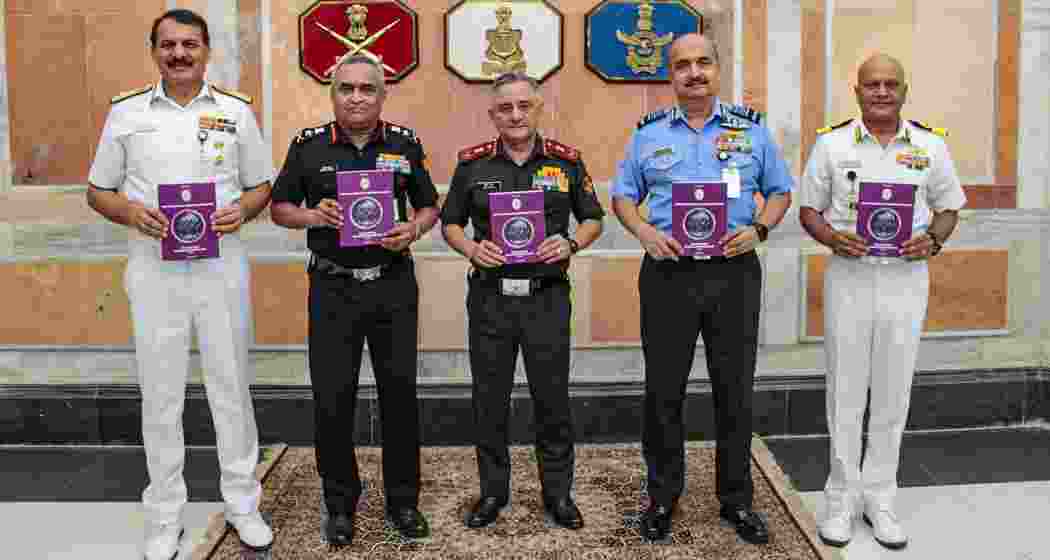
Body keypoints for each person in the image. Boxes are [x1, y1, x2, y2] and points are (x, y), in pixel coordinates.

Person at [86, 9, 274, 560]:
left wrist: (243, 208)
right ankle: (164, 514)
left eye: (189, 44)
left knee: (231, 387)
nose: (179, 54)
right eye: (168, 45)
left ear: (206, 50)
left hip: (221, 267)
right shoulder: (126, 114)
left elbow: (261, 184)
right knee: (161, 395)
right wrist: (129, 213)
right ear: (154, 51)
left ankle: (243, 504)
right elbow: (98, 191)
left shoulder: (235, 112)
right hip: (154, 270)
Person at [610, 33, 793, 544]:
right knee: (663, 392)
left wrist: (758, 229)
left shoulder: (752, 131)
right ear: (671, 75)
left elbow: (779, 191)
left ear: (718, 69)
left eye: (703, 62)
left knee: (734, 390)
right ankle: (661, 497)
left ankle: (736, 500)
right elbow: (623, 196)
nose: (694, 72)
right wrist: (644, 231)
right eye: (682, 65)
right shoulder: (648, 134)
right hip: (668, 275)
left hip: (732, 274)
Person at [270, 54, 439, 546]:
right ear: (333, 94)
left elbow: (429, 207)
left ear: (383, 95)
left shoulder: (405, 145)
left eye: (368, 88)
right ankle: (340, 504)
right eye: (347, 88)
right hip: (333, 287)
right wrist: (313, 217)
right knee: (332, 398)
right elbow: (280, 209)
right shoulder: (308, 147)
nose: (357, 97)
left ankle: (403, 503)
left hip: (391, 284)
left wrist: (413, 228)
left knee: (400, 396)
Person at [799, 54, 965, 550]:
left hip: (906, 279)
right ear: (857, 92)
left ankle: (880, 498)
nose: (882, 91)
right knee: (845, 392)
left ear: (904, 91)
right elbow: (809, 209)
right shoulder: (831, 143)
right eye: (872, 84)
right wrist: (831, 237)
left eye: (891, 83)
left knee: (893, 392)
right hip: (850, 275)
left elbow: (949, 206)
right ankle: (841, 499)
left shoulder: (930, 145)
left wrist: (933, 241)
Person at [441, 72, 605, 530]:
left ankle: (558, 495)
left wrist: (571, 243)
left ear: (538, 107)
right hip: (491, 300)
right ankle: (493, 493)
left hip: (546, 300)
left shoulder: (566, 162)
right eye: (505, 108)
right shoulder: (471, 165)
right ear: (493, 114)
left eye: (524, 106)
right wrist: (471, 248)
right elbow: (450, 223)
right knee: (488, 401)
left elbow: (594, 217)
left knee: (552, 400)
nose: (515, 115)